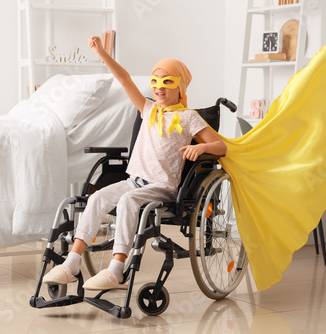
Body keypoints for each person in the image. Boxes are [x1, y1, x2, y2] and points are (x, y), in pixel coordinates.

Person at [43, 36, 227, 290]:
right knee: (96, 198)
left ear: (180, 88)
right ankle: (72, 263)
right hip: (133, 181)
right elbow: (124, 80)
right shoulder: (148, 109)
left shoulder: (189, 117)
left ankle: (117, 269)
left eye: (167, 82)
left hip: (162, 186)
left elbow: (221, 146)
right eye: (155, 81)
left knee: (129, 202)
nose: (159, 87)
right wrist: (102, 54)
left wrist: (202, 147)